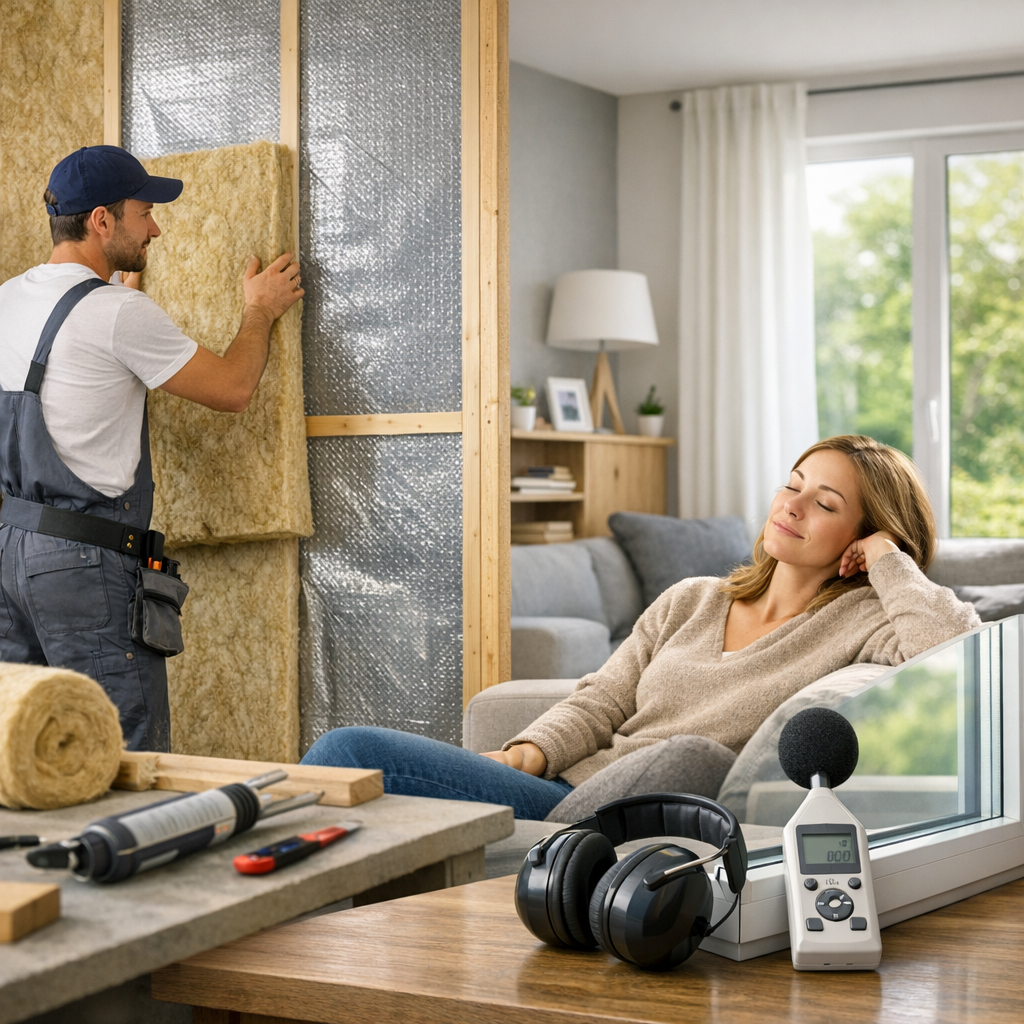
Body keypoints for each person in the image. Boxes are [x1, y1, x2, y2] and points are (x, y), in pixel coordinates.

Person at [302, 435, 982, 819]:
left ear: (865, 535)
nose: (792, 505)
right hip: (566, 793)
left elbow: (958, 653)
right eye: (792, 483)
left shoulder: (862, 625)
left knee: (690, 757)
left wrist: (890, 559)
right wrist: (522, 757)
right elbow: (601, 700)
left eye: (825, 503)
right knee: (347, 749)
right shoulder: (693, 599)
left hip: (652, 807)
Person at [0, 145, 303, 751]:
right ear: (101, 221)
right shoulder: (118, 313)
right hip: (85, 566)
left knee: (27, 750)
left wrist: (113, 294)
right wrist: (259, 311)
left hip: (10, 553)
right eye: (144, 213)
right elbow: (232, 389)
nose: (155, 229)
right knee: (125, 755)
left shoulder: (9, 298)